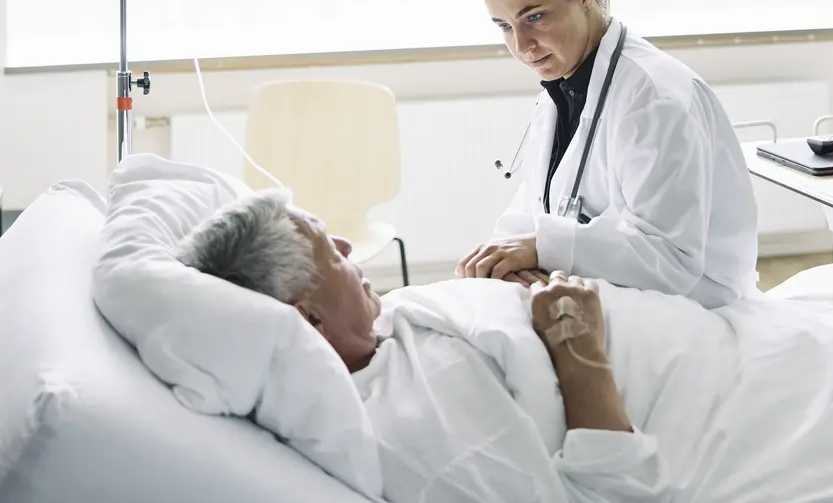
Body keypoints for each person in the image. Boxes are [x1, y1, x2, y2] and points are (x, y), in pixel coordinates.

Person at [175, 189, 670, 502]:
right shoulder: (417, 438)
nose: (349, 246)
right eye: (331, 249)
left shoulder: (377, 330)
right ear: (310, 318)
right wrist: (577, 346)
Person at [456, 0, 759, 307]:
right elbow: (533, 211)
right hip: (598, 287)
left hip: (691, 305)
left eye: (535, 17)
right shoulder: (563, 88)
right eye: (504, 26)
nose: (523, 45)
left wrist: (541, 249)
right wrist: (499, 259)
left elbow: (671, 259)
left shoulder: (655, 98)